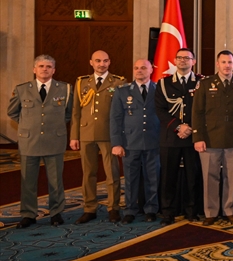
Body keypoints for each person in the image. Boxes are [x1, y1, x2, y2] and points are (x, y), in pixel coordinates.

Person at [8, 55, 71, 228]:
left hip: (54, 140)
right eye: (41, 66)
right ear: (34, 69)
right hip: (30, 141)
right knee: (28, 180)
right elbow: (12, 112)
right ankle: (28, 214)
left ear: (54, 70)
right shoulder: (22, 90)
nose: (45, 69)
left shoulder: (64, 89)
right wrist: (28, 126)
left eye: (49, 66)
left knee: (56, 180)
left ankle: (56, 213)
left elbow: (69, 113)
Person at [71, 50, 127, 223]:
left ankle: (113, 207)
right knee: (88, 173)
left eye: (105, 61)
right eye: (98, 61)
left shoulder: (119, 82)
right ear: (91, 62)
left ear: (109, 62)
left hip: (109, 134)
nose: (101, 64)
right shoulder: (81, 82)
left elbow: (123, 112)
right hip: (86, 133)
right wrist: (74, 136)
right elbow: (76, 111)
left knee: (112, 173)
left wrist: (121, 137)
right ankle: (89, 208)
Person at [191, 50, 233, 225]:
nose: (227, 65)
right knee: (210, 177)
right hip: (210, 138)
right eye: (223, 62)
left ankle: (230, 209)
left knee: (232, 176)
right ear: (217, 64)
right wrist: (198, 137)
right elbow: (197, 112)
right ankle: (211, 212)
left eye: (230, 62)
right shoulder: (206, 84)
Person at [110, 59, 160, 222]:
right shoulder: (122, 91)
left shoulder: (159, 89)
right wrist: (117, 143)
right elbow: (115, 118)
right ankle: (130, 210)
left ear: (151, 70)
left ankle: (151, 209)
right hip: (130, 141)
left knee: (153, 176)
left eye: (143, 68)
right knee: (130, 178)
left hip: (153, 140)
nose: (139, 71)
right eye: (136, 68)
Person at [156, 48, 202, 224]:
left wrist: (190, 128)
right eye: (180, 58)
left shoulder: (201, 82)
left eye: (187, 58)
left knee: (193, 176)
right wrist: (178, 126)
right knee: (168, 177)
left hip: (193, 137)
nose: (183, 61)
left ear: (194, 61)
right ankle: (168, 212)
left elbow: (203, 109)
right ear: (175, 61)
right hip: (170, 137)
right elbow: (160, 110)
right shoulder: (163, 84)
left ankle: (192, 210)